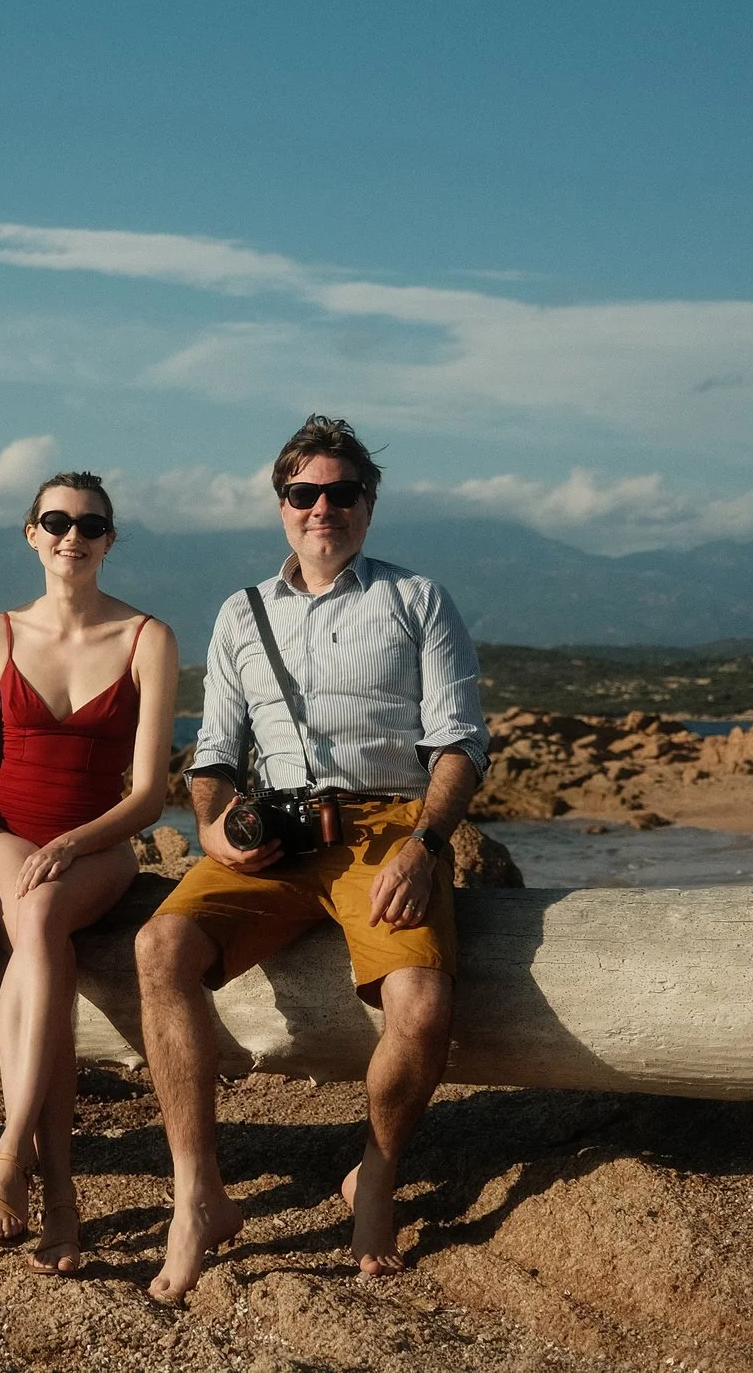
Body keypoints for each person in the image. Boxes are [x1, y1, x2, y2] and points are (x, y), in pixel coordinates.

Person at [135, 415, 489, 1299]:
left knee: (424, 1003)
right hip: (275, 834)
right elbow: (213, 754)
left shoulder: (419, 599)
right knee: (158, 949)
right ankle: (197, 1196)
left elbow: (461, 746)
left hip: (386, 829)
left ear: (368, 504)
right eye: (304, 493)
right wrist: (214, 827)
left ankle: (375, 1172)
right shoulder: (238, 613)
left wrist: (424, 845)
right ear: (282, 505)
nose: (322, 507)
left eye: (341, 492)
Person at [0, 471, 178, 1276]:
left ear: (109, 538)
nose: (73, 535)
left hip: (98, 843)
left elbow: (149, 795)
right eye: (56, 520)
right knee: (44, 942)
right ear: (31, 533)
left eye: (90, 523)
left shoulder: (149, 638)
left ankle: (8, 1160)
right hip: (4, 834)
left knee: (37, 922)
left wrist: (72, 844)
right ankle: (61, 1196)